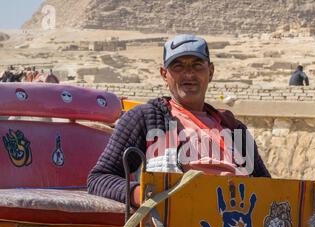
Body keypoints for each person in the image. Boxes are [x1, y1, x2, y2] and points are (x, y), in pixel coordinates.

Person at [88, 34, 271, 207]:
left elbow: (268, 188)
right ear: (164, 74)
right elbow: (99, 178)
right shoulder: (145, 118)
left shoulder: (234, 129)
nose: (188, 74)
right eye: (178, 66)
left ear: (211, 71)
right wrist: (144, 195)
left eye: (197, 65)